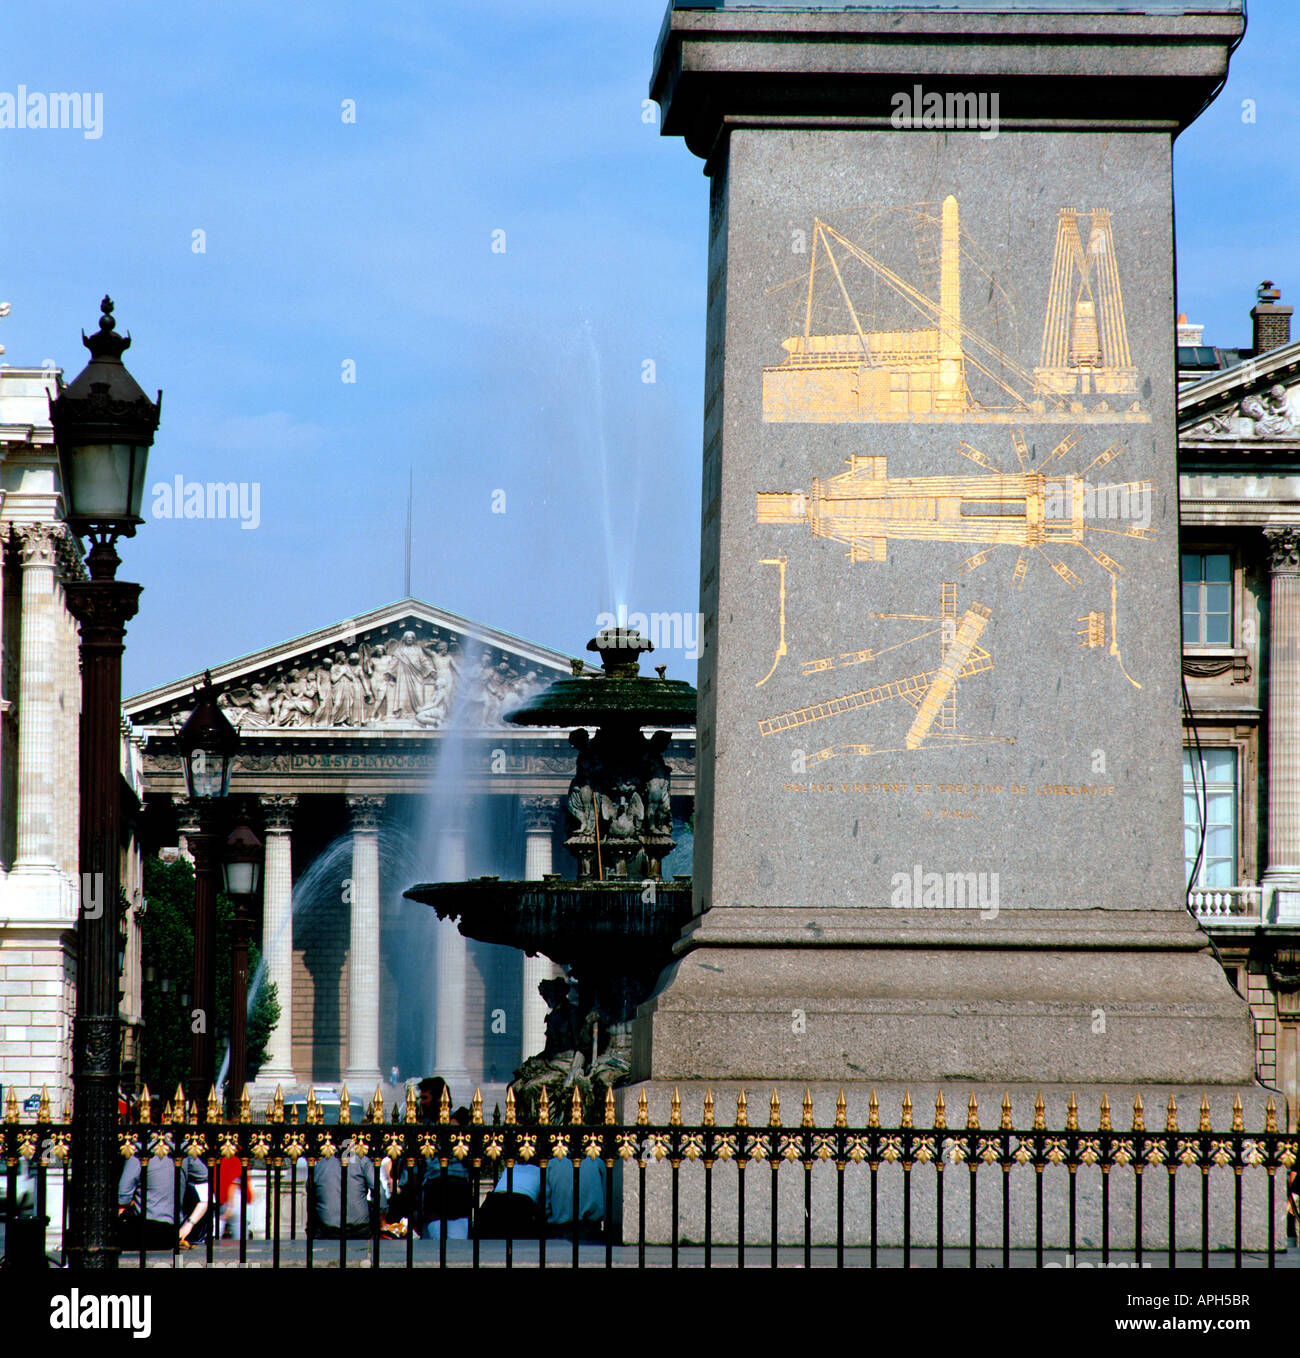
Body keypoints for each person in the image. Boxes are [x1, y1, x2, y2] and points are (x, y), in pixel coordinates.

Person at [118, 1148, 210, 1251]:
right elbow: (205, 1178)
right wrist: (189, 1223)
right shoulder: (183, 1148)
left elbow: (124, 1194)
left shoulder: (138, 1149)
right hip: (172, 1231)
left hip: (144, 1227)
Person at [309, 1139, 386, 1240]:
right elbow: (378, 1191)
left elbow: (310, 1193)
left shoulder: (320, 1165)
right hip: (358, 1230)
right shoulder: (362, 1161)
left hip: (328, 1230)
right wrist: (382, 1222)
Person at [545, 1155, 606, 1242]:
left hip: (560, 1227)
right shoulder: (597, 1162)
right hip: (590, 1227)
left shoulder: (551, 1164)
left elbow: (545, 1200)